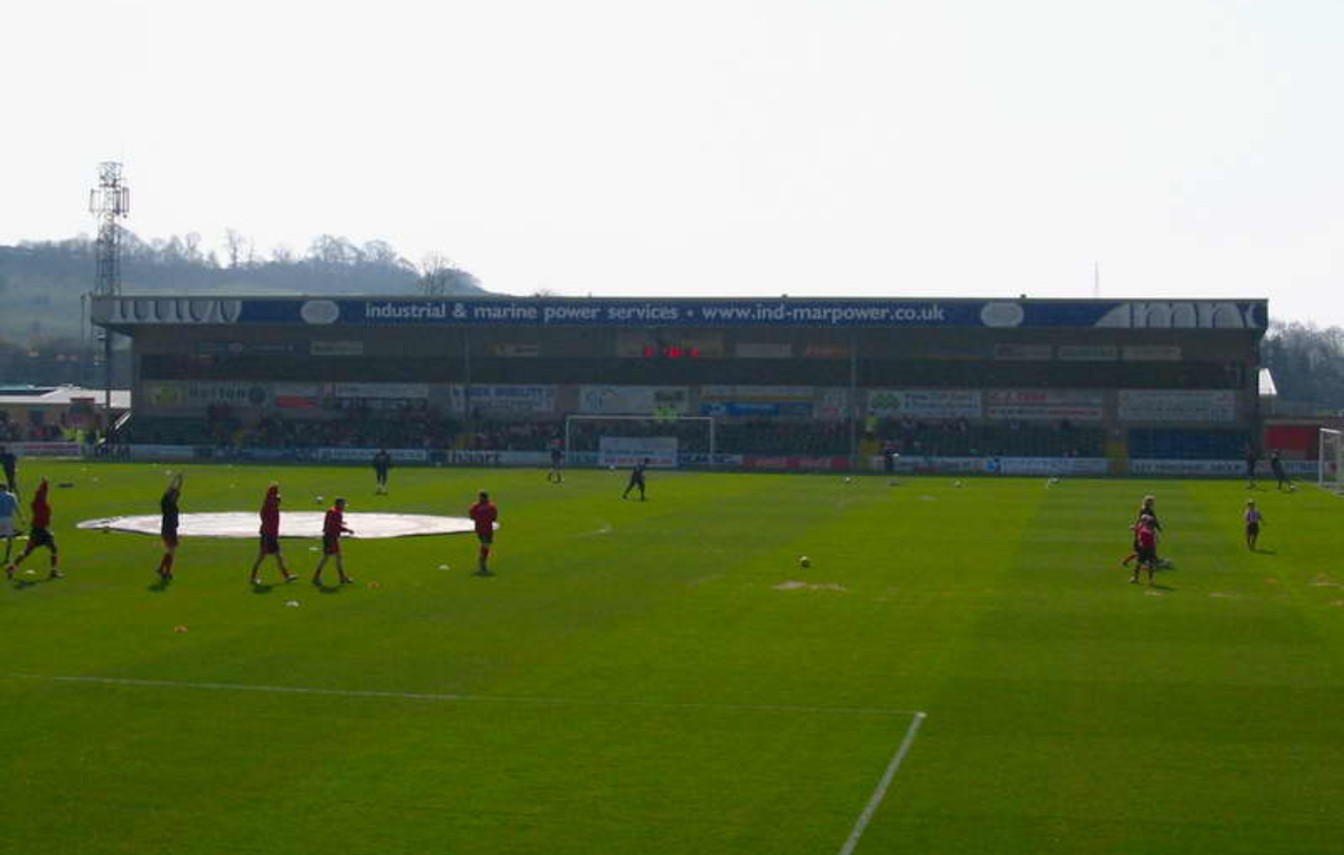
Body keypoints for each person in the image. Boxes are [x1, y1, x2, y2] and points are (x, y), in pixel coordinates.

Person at [5, 477, 59, 580]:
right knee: (53, 549)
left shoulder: (36, 505)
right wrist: (45, 484)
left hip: (36, 530)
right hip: (41, 531)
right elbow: (43, 494)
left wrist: (44, 484)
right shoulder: (42, 505)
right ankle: (53, 571)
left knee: (28, 551)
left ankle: (11, 567)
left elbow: (42, 494)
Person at [249, 482, 296, 585]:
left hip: (271, 535)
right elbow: (266, 519)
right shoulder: (269, 506)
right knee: (262, 557)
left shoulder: (270, 505)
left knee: (278, 557)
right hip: (268, 536)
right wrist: (267, 535)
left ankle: (287, 576)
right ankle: (252, 577)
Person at [312, 497, 355, 585]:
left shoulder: (331, 511)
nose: (344, 507)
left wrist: (341, 524)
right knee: (328, 558)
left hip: (328, 536)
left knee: (335, 557)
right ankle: (317, 577)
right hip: (332, 538)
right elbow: (336, 527)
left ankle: (342, 577)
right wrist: (348, 530)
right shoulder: (337, 513)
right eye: (343, 505)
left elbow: (331, 524)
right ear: (339, 504)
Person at [1121, 495, 1162, 567]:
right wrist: (1157, 527)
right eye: (1152, 501)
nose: (1153, 503)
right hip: (1145, 531)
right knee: (1142, 551)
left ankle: (1153, 559)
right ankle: (1127, 561)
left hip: (1146, 530)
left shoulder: (1146, 509)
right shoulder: (1146, 510)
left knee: (1145, 549)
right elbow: (1150, 520)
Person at [157, 472, 184, 581]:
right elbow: (169, 489)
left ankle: (162, 569)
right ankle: (166, 571)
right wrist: (175, 479)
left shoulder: (172, 503)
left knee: (170, 550)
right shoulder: (166, 503)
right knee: (171, 550)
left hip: (171, 528)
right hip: (168, 528)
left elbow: (177, 490)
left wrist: (180, 481)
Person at [469, 490, 498, 576]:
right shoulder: (491, 506)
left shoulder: (475, 506)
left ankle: (482, 566)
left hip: (480, 529)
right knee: (485, 546)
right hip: (487, 529)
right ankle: (482, 567)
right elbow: (494, 518)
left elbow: (472, 517)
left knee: (485, 546)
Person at [0, 481, 23, 564]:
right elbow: (17, 508)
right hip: (8, 519)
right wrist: (22, 517)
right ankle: (7, 557)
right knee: (9, 540)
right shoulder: (12, 496)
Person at [1131, 514, 1159, 585]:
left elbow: (1140, 538)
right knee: (1150, 564)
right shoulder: (1151, 530)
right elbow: (1155, 540)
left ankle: (1136, 578)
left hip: (1144, 549)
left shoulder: (1144, 530)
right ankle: (1151, 580)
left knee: (1139, 563)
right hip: (1150, 549)